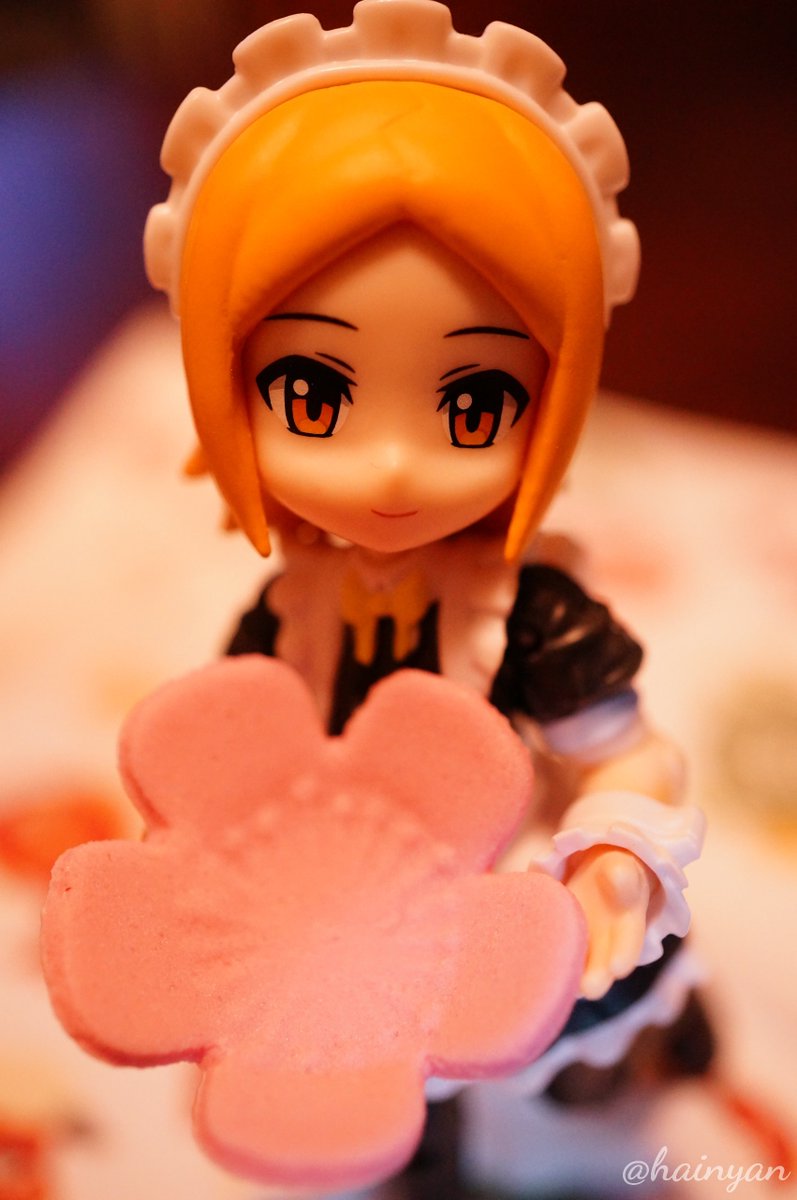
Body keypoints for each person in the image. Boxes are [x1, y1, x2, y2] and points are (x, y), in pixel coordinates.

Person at [144, 2, 711, 1193]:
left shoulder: (530, 618)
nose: (394, 470)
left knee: (572, 1045)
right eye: (312, 396)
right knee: (396, 1081)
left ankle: (641, 1055)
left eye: (471, 406)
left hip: (510, 899)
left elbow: (625, 753)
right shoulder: (288, 612)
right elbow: (238, 745)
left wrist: (611, 851)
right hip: (358, 907)